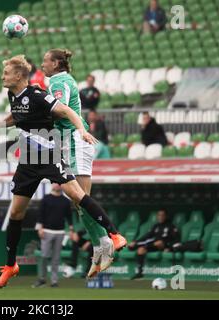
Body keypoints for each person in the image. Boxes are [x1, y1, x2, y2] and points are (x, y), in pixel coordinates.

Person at [0, 55, 121, 288]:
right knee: (16, 213)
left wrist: (81, 129)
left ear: (18, 76)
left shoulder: (46, 89)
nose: (2, 76)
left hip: (56, 149)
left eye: (6, 73)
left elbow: (64, 110)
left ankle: (111, 237)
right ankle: (11, 265)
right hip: (28, 160)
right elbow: (16, 116)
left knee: (78, 198)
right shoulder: (13, 94)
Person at [42, 48, 125, 277]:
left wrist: (37, 111)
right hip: (73, 143)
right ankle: (100, 245)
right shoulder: (63, 80)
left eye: (46, 61)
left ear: (57, 63)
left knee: (81, 199)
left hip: (74, 143)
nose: (42, 65)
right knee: (79, 202)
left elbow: (60, 111)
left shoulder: (58, 82)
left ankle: (104, 242)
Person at [32, 183, 73, 288]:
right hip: (46, 231)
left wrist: (71, 229)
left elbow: (69, 216)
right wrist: (39, 228)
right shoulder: (46, 199)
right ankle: (42, 279)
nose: (57, 185)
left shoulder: (65, 201)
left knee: (56, 258)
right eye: (55, 183)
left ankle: (54, 281)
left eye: (59, 183)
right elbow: (40, 214)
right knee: (44, 256)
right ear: (52, 185)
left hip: (60, 232)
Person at [128, 209, 180, 280]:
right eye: (159, 215)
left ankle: (136, 245)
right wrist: (137, 241)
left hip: (164, 245)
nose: (160, 217)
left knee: (159, 242)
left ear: (166, 216)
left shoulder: (171, 226)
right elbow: (148, 235)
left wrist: (169, 247)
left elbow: (176, 239)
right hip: (153, 245)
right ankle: (140, 272)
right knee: (140, 250)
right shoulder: (156, 226)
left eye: (162, 215)